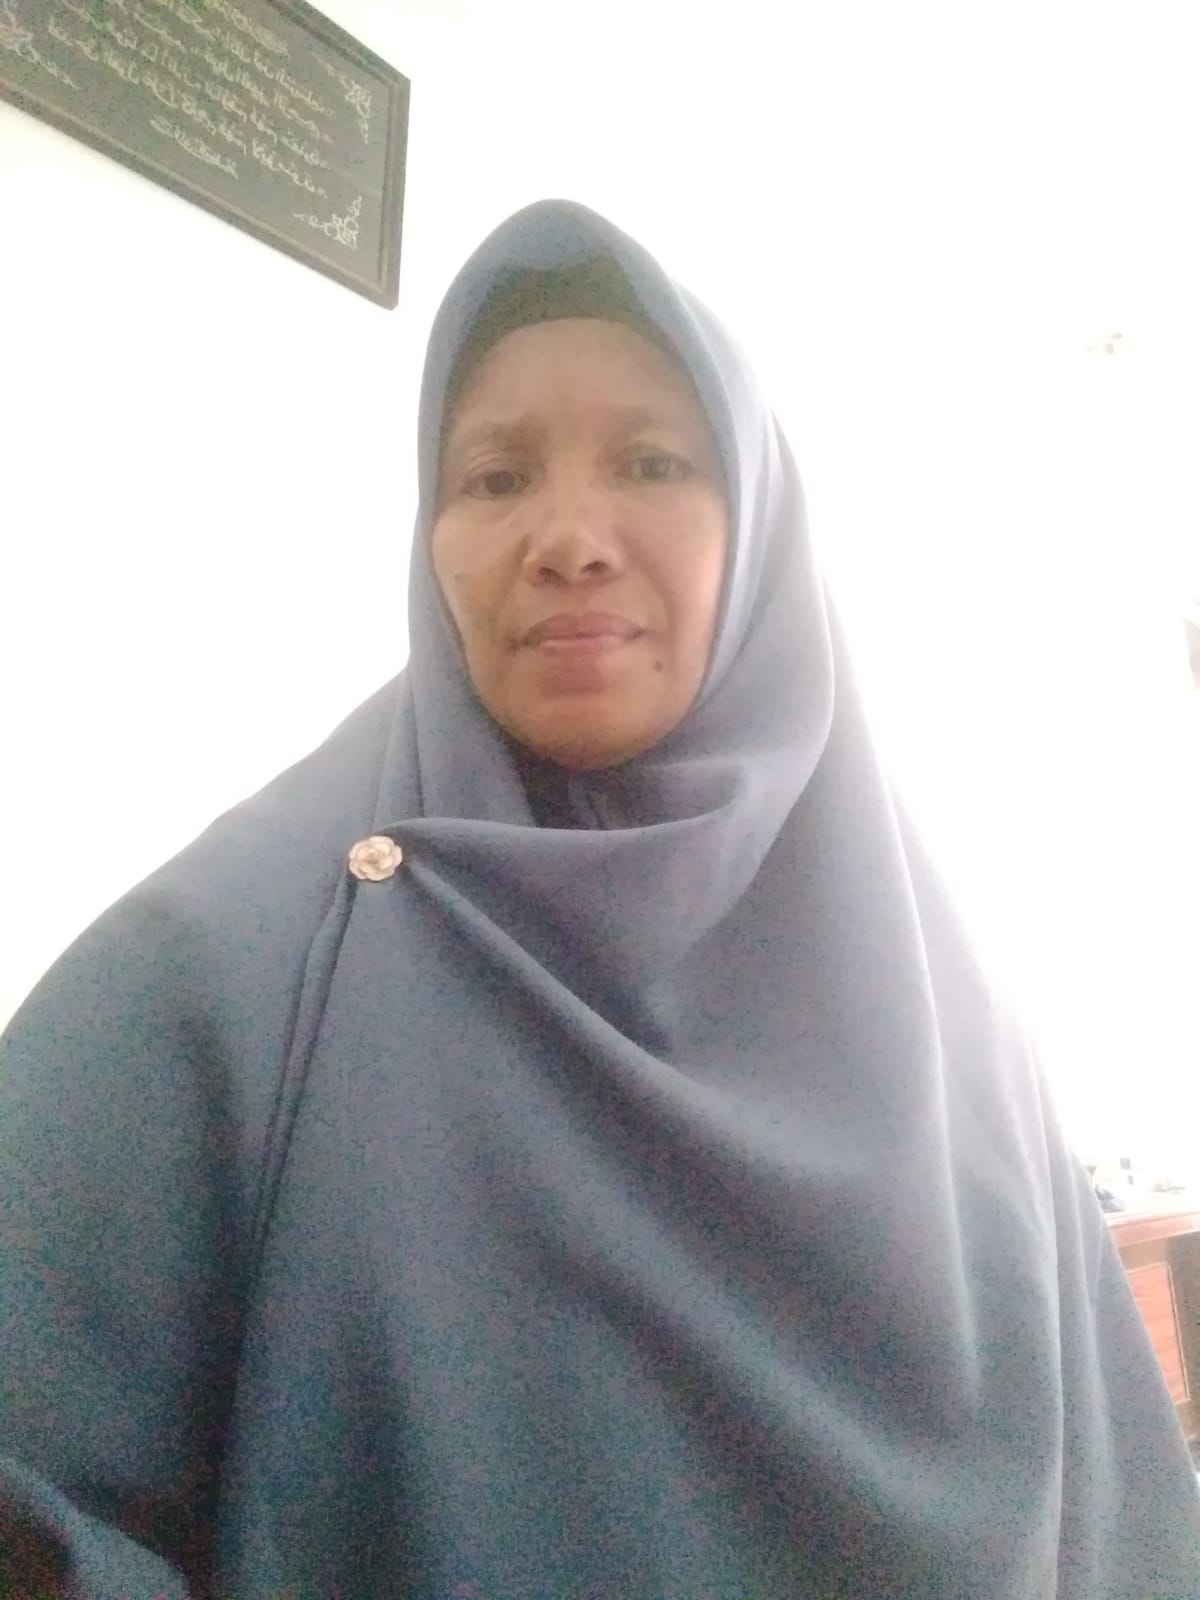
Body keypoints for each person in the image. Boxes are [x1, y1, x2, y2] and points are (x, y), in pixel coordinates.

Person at [1, 199, 1197, 1600]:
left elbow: (1119, 1521)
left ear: (761, 530)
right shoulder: (232, 970)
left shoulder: (949, 1021)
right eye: (496, 476)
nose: (568, 538)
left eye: (652, 461)